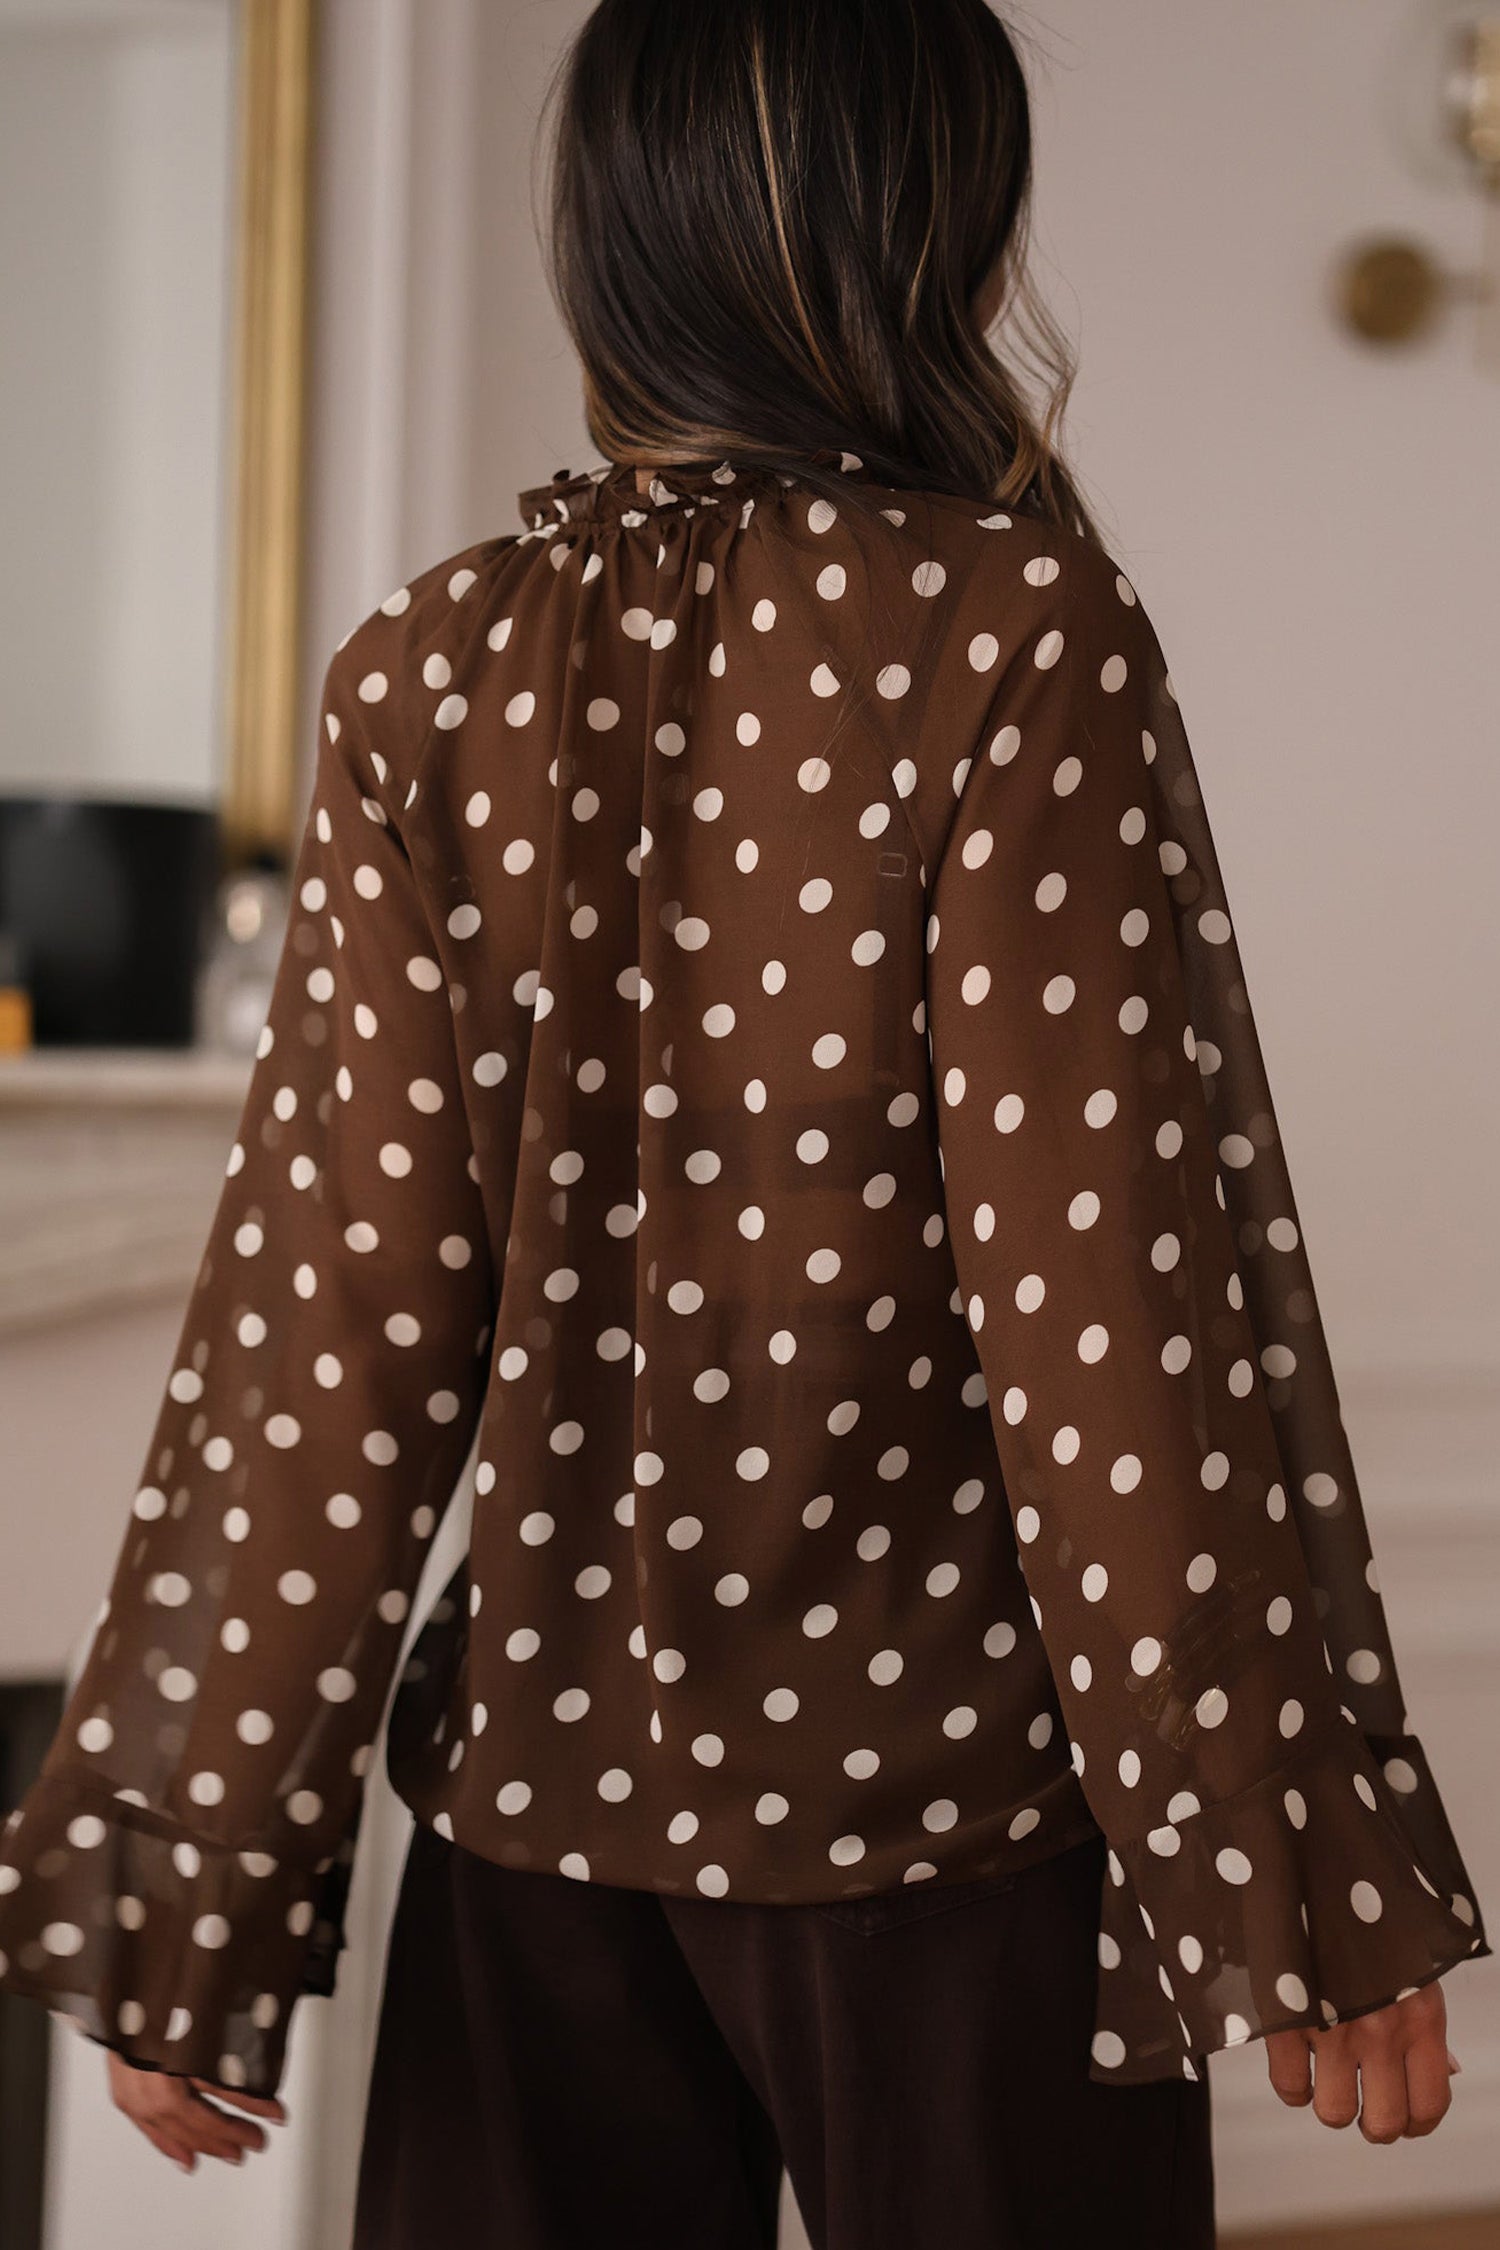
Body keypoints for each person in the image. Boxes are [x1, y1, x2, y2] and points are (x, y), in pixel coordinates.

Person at [0, 2, 1489, 2244]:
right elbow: (1111, 1319)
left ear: (605, 233)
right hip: (952, 1831)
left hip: (539, 1824)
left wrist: (190, 1879)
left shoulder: (429, 667)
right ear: (942, 237)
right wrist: (1289, 1856)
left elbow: (331, 1335)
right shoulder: (1016, 631)